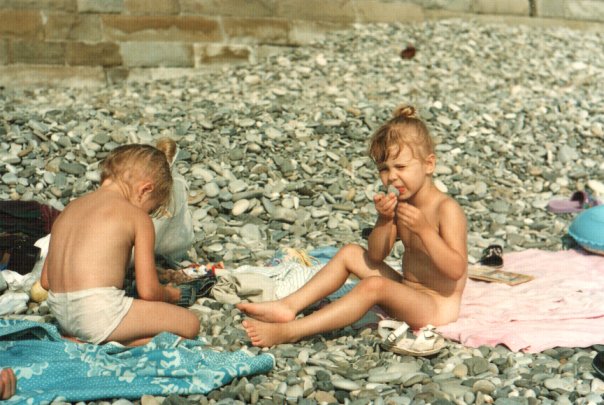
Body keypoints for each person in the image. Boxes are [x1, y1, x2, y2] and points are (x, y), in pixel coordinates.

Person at [237, 105, 468, 347]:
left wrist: (424, 231)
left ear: (429, 164)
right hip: (408, 291)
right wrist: (384, 220)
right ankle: (288, 306)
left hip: (436, 306)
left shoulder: (446, 209)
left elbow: (456, 270)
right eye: (384, 169)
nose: (392, 177)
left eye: (401, 167)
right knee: (351, 252)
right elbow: (376, 255)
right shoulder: (403, 203)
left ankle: (292, 331)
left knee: (374, 286)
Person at [40, 144, 200, 347]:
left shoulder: (70, 209)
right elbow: (149, 291)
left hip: (61, 313)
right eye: (152, 209)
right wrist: (172, 294)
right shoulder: (137, 217)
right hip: (99, 314)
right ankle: (108, 343)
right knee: (189, 324)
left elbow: (46, 281)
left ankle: (87, 338)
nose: (149, 214)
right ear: (145, 190)